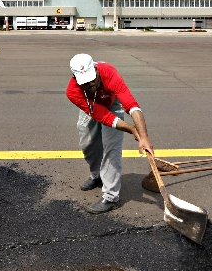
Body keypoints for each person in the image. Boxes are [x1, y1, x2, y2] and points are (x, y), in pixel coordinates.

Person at [66, 53, 154, 213]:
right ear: (75, 78)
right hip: (92, 107)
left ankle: (111, 197)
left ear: (96, 69)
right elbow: (103, 117)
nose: (91, 84)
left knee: (111, 148)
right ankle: (97, 175)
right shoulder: (73, 91)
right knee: (88, 144)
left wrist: (144, 137)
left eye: (93, 79)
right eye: (85, 83)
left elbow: (132, 105)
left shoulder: (109, 72)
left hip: (113, 104)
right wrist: (132, 129)